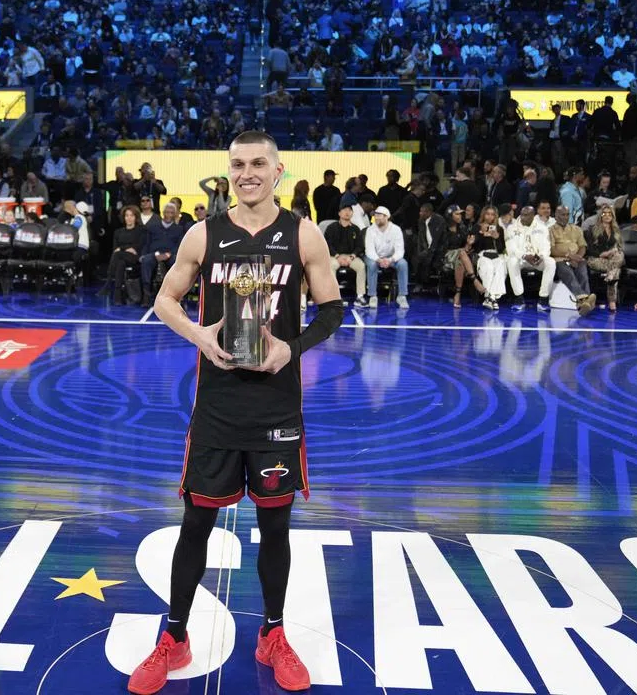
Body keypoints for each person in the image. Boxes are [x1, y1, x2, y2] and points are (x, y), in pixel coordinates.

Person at [131, 131, 343, 695]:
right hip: (218, 410)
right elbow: (164, 300)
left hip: (277, 408)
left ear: (279, 169)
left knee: (276, 527)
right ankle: (173, 637)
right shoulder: (204, 234)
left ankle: (273, 634)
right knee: (195, 524)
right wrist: (198, 335)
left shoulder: (304, 234)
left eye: (257, 164)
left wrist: (290, 349)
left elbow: (331, 310)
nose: (247, 173)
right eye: (237, 165)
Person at [505, 205, 554, 310]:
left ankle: (543, 299)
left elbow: (546, 246)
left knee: (550, 262)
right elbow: (511, 249)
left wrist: (541, 256)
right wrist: (524, 256)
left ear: (533, 216)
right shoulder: (511, 228)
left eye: (526, 215)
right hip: (521, 258)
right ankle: (519, 297)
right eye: (522, 214)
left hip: (536, 259)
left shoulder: (542, 227)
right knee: (512, 261)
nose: (523, 217)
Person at [364, 206, 409, 309]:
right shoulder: (370, 230)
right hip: (375, 257)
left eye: (379, 215)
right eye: (375, 215)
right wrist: (379, 260)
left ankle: (402, 296)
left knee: (403, 264)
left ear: (387, 217)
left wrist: (390, 260)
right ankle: (372, 296)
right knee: (371, 265)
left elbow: (400, 250)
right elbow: (369, 250)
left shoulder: (396, 229)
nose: (376, 218)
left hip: (391, 258)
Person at [102, 205, 145, 305]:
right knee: (120, 262)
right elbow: (115, 249)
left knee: (118, 256)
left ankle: (109, 282)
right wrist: (126, 248)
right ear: (124, 217)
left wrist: (122, 248)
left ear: (136, 217)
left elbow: (138, 247)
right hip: (121, 258)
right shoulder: (118, 232)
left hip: (135, 258)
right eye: (127, 215)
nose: (129, 218)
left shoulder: (140, 231)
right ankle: (118, 297)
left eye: (131, 215)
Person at [473, 205, 507, 309]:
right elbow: (476, 247)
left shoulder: (500, 229)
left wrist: (496, 238)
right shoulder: (477, 227)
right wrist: (480, 234)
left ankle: (489, 298)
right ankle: (492, 298)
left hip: (497, 255)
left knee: (500, 267)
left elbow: (501, 249)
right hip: (483, 254)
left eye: (492, 214)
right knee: (488, 268)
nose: (490, 217)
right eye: (487, 214)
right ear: (483, 215)